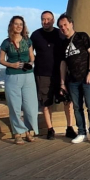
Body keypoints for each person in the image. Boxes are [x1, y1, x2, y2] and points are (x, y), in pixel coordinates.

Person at [30, 11, 77, 140]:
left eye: (48, 19)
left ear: (53, 20)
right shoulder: (35, 35)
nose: (46, 21)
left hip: (61, 73)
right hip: (43, 74)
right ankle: (50, 129)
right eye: (43, 19)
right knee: (46, 103)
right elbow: (29, 53)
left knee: (68, 101)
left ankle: (70, 127)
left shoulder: (60, 33)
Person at [58, 13, 90, 145]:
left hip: (87, 77)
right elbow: (63, 63)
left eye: (65, 24)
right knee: (77, 107)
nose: (63, 28)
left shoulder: (82, 36)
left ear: (71, 24)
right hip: (72, 81)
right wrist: (63, 82)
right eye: (60, 26)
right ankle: (81, 132)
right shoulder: (63, 43)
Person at [0, 15, 40, 145]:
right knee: (14, 106)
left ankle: (28, 130)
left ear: (23, 27)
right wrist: (12, 65)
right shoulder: (6, 42)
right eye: (16, 24)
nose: (18, 26)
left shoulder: (27, 41)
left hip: (28, 76)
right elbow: (1, 60)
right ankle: (17, 133)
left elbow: (32, 57)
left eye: (21, 24)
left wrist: (30, 63)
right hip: (12, 76)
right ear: (11, 25)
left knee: (30, 106)